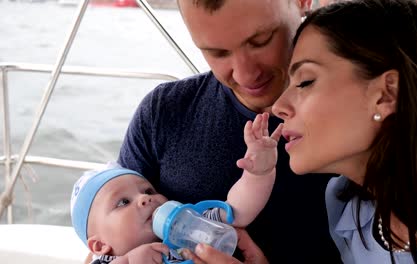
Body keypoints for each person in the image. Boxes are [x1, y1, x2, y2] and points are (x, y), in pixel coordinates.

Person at [181, 0, 417, 263]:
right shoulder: (348, 209)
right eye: (217, 52)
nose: (278, 106)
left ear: (385, 94)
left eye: (305, 82)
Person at [117, 0, 341, 262]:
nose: (246, 75)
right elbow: (105, 240)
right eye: (217, 53)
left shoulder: (361, 114)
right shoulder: (163, 112)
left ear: (302, 3)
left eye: (261, 40)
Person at [71, 113, 282, 263]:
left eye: (148, 191)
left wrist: (258, 173)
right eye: (123, 202)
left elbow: (237, 210)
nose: (145, 199)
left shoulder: (189, 225)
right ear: (100, 247)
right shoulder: (108, 260)